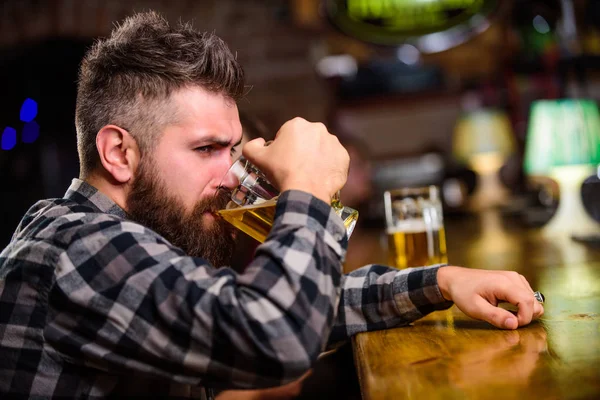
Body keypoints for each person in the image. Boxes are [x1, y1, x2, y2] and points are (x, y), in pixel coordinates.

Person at [0, 11, 544, 399]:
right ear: (119, 152)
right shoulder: (78, 246)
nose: (232, 171)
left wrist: (441, 282)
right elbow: (274, 335)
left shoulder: (134, 241)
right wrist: (305, 186)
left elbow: (266, 307)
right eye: (208, 149)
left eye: (233, 149)